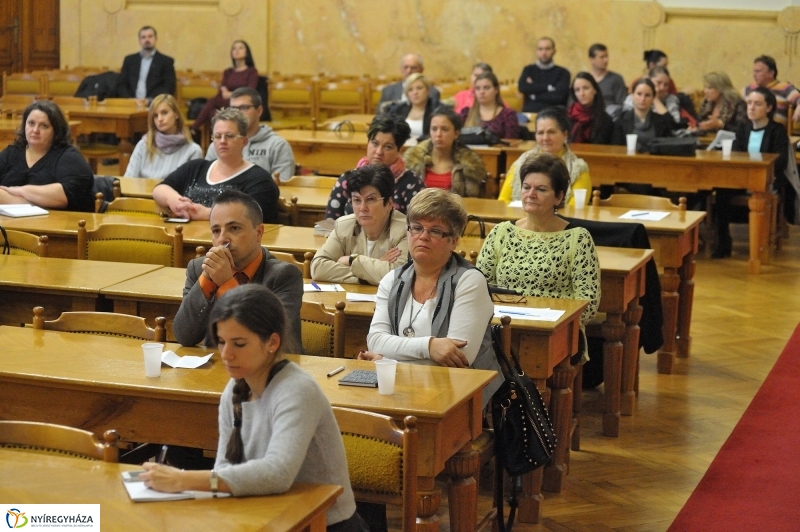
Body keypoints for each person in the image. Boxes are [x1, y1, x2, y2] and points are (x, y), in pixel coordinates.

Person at [142, 284, 367, 531]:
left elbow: (277, 474)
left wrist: (183, 479)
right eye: (221, 341)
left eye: (238, 344)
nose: (226, 354)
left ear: (272, 342)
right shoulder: (234, 389)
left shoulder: (297, 389)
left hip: (323, 524)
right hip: (263, 514)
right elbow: (224, 468)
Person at [360, 188, 504, 408]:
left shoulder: (469, 282)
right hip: (400, 395)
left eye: (435, 231)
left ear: (454, 241)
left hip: (458, 399)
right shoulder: (392, 280)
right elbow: (376, 340)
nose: (423, 236)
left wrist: (389, 362)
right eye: (416, 228)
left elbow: (459, 360)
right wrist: (430, 347)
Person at [476, 153, 600, 361]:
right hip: (503, 327)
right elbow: (480, 286)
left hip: (556, 333)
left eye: (541, 189)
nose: (530, 194)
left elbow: (589, 303)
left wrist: (552, 322)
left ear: (559, 197)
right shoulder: (501, 233)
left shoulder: (578, 239)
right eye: (526, 187)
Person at [172, 189, 303, 348]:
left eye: (234, 228)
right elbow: (184, 336)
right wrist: (207, 279)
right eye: (216, 231)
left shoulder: (284, 276)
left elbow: (278, 344)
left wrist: (227, 283)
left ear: (259, 233)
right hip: (219, 367)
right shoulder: (199, 269)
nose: (222, 239)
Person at [153, 108, 279, 222]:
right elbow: (160, 189)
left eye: (229, 136)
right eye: (218, 136)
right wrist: (174, 200)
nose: (222, 141)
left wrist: (208, 214)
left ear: (244, 141)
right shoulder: (196, 167)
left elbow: (253, 215)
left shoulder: (260, 179)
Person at [714, 87, 788, 258]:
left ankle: (759, 247)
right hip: (743, 180)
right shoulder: (743, 129)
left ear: (769, 108)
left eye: (757, 104)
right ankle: (724, 242)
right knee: (722, 193)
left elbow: (780, 161)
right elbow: (737, 155)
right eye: (749, 103)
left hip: (766, 181)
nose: (752, 108)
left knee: (760, 195)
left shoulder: (777, 131)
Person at [312, 164, 408, 286]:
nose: (362, 208)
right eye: (357, 200)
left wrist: (350, 260)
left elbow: (397, 276)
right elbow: (318, 267)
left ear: (389, 203)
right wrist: (370, 272)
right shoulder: (344, 226)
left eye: (371, 199)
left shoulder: (405, 230)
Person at [325, 115, 424, 220]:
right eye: (375, 143)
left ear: (399, 150)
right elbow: (330, 223)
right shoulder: (347, 179)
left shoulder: (411, 183)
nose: (379, 152)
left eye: (388, 147)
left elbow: (419, 226)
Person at [0, 100, 93, 212]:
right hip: (10, 225)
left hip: (59, 225)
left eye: (44, 126)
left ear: (56, 131)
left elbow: (64, 196)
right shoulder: (11, 153)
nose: (35, 130)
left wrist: (20, 190)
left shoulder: (69, 157)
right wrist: (36, 202)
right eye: (31, 123)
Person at [499, 107, 591, 205]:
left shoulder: (578, 169)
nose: (545, 138)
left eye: (551, 132)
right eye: (540, 133)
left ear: (565, 135)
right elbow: (503, 201)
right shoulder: (522, 162)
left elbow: (574, 210)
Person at [206, 87, 295, 182]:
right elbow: (207, 179)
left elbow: (283, 185)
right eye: (233, 109)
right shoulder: (219, 144)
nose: (237, 113)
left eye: (244, 108)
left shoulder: (277, 145)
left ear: (259, 111)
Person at [402, 107, 486, 197]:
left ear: (456, 134)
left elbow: (473, 199)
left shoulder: (470, 165)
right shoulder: (413, 160)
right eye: (434, 129)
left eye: (445, 129)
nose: (438, 134)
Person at [124, 94, 202, 179]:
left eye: (164, 113)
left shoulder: (193, 151)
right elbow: (128, 180)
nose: (160, 119)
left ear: (176, 114)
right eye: (155, 116)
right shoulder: (143, 145)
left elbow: (192, 189)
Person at [190, 41, 259, 135]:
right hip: (225, 103)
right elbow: (221, 92)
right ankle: (219, 142)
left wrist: (231, 94)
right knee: (213, 112)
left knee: (213, 104)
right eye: (234, 48)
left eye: (240, 48)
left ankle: (194, 128)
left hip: (241, 105)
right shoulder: (228, 72)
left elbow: (250, 91)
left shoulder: (251, 71)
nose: (236, 50)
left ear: (246, 53)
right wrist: (230, 94)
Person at [613, 78, 677, 149]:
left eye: (647, 95)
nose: (642, 99)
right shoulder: (621, 119)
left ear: (653, 98)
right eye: (639, 94)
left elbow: (669, 146)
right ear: (632, 96)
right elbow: (615, 147)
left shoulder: (662, 121)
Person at [116, 26, 176, 99]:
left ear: (155, 39)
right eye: (143, 37)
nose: (147, 40)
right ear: (139, 40)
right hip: (131, 103)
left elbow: (169, 87)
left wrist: (150, 100)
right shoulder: (129, 60)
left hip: (154, 104)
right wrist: (129, 99)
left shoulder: (166, 61)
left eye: (150, 36)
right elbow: (122, 84)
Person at [459, 71, 520, 139]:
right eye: (478, 88)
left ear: (496, 90)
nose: (481, 92)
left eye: (486, 88)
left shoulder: (508, 115)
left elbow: (511, 144)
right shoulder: (466, 113)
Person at [518, 37, 571, 113]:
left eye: (547, 49)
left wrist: (534, 93)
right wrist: (548, 87)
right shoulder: (529, 70)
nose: (544, 52)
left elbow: (559, 97)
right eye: (540, 49)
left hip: (553, 114)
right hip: (530, 113)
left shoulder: (563, 73)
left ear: (554, 51)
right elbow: (522, 87)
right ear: (536, 51)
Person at [743, 55, 800, 125]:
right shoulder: (750, 88)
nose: (754, 75)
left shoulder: (784, 88)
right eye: (754, 71)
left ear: (771, 73)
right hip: (750, 129)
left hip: (775, 131)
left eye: (758, 71)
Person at [382, 73, 436, 138]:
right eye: (410, 90)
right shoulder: (398, 110)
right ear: (407, 94)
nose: (415, 92)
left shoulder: (436, 110)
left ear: (427, 91)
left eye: (419, 88)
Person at [567, 72, 614, 145]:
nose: (581, 94)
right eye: (577, 90)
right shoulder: (568, 116)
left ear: (595, 90)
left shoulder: (606, 120)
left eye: (585, 88)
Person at [587, 43, 627, 112]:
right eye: (602, 57)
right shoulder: (585, 80)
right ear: (592, 60)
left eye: (606, 56)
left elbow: (622, 105)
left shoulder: (616, 79)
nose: (606, 60)